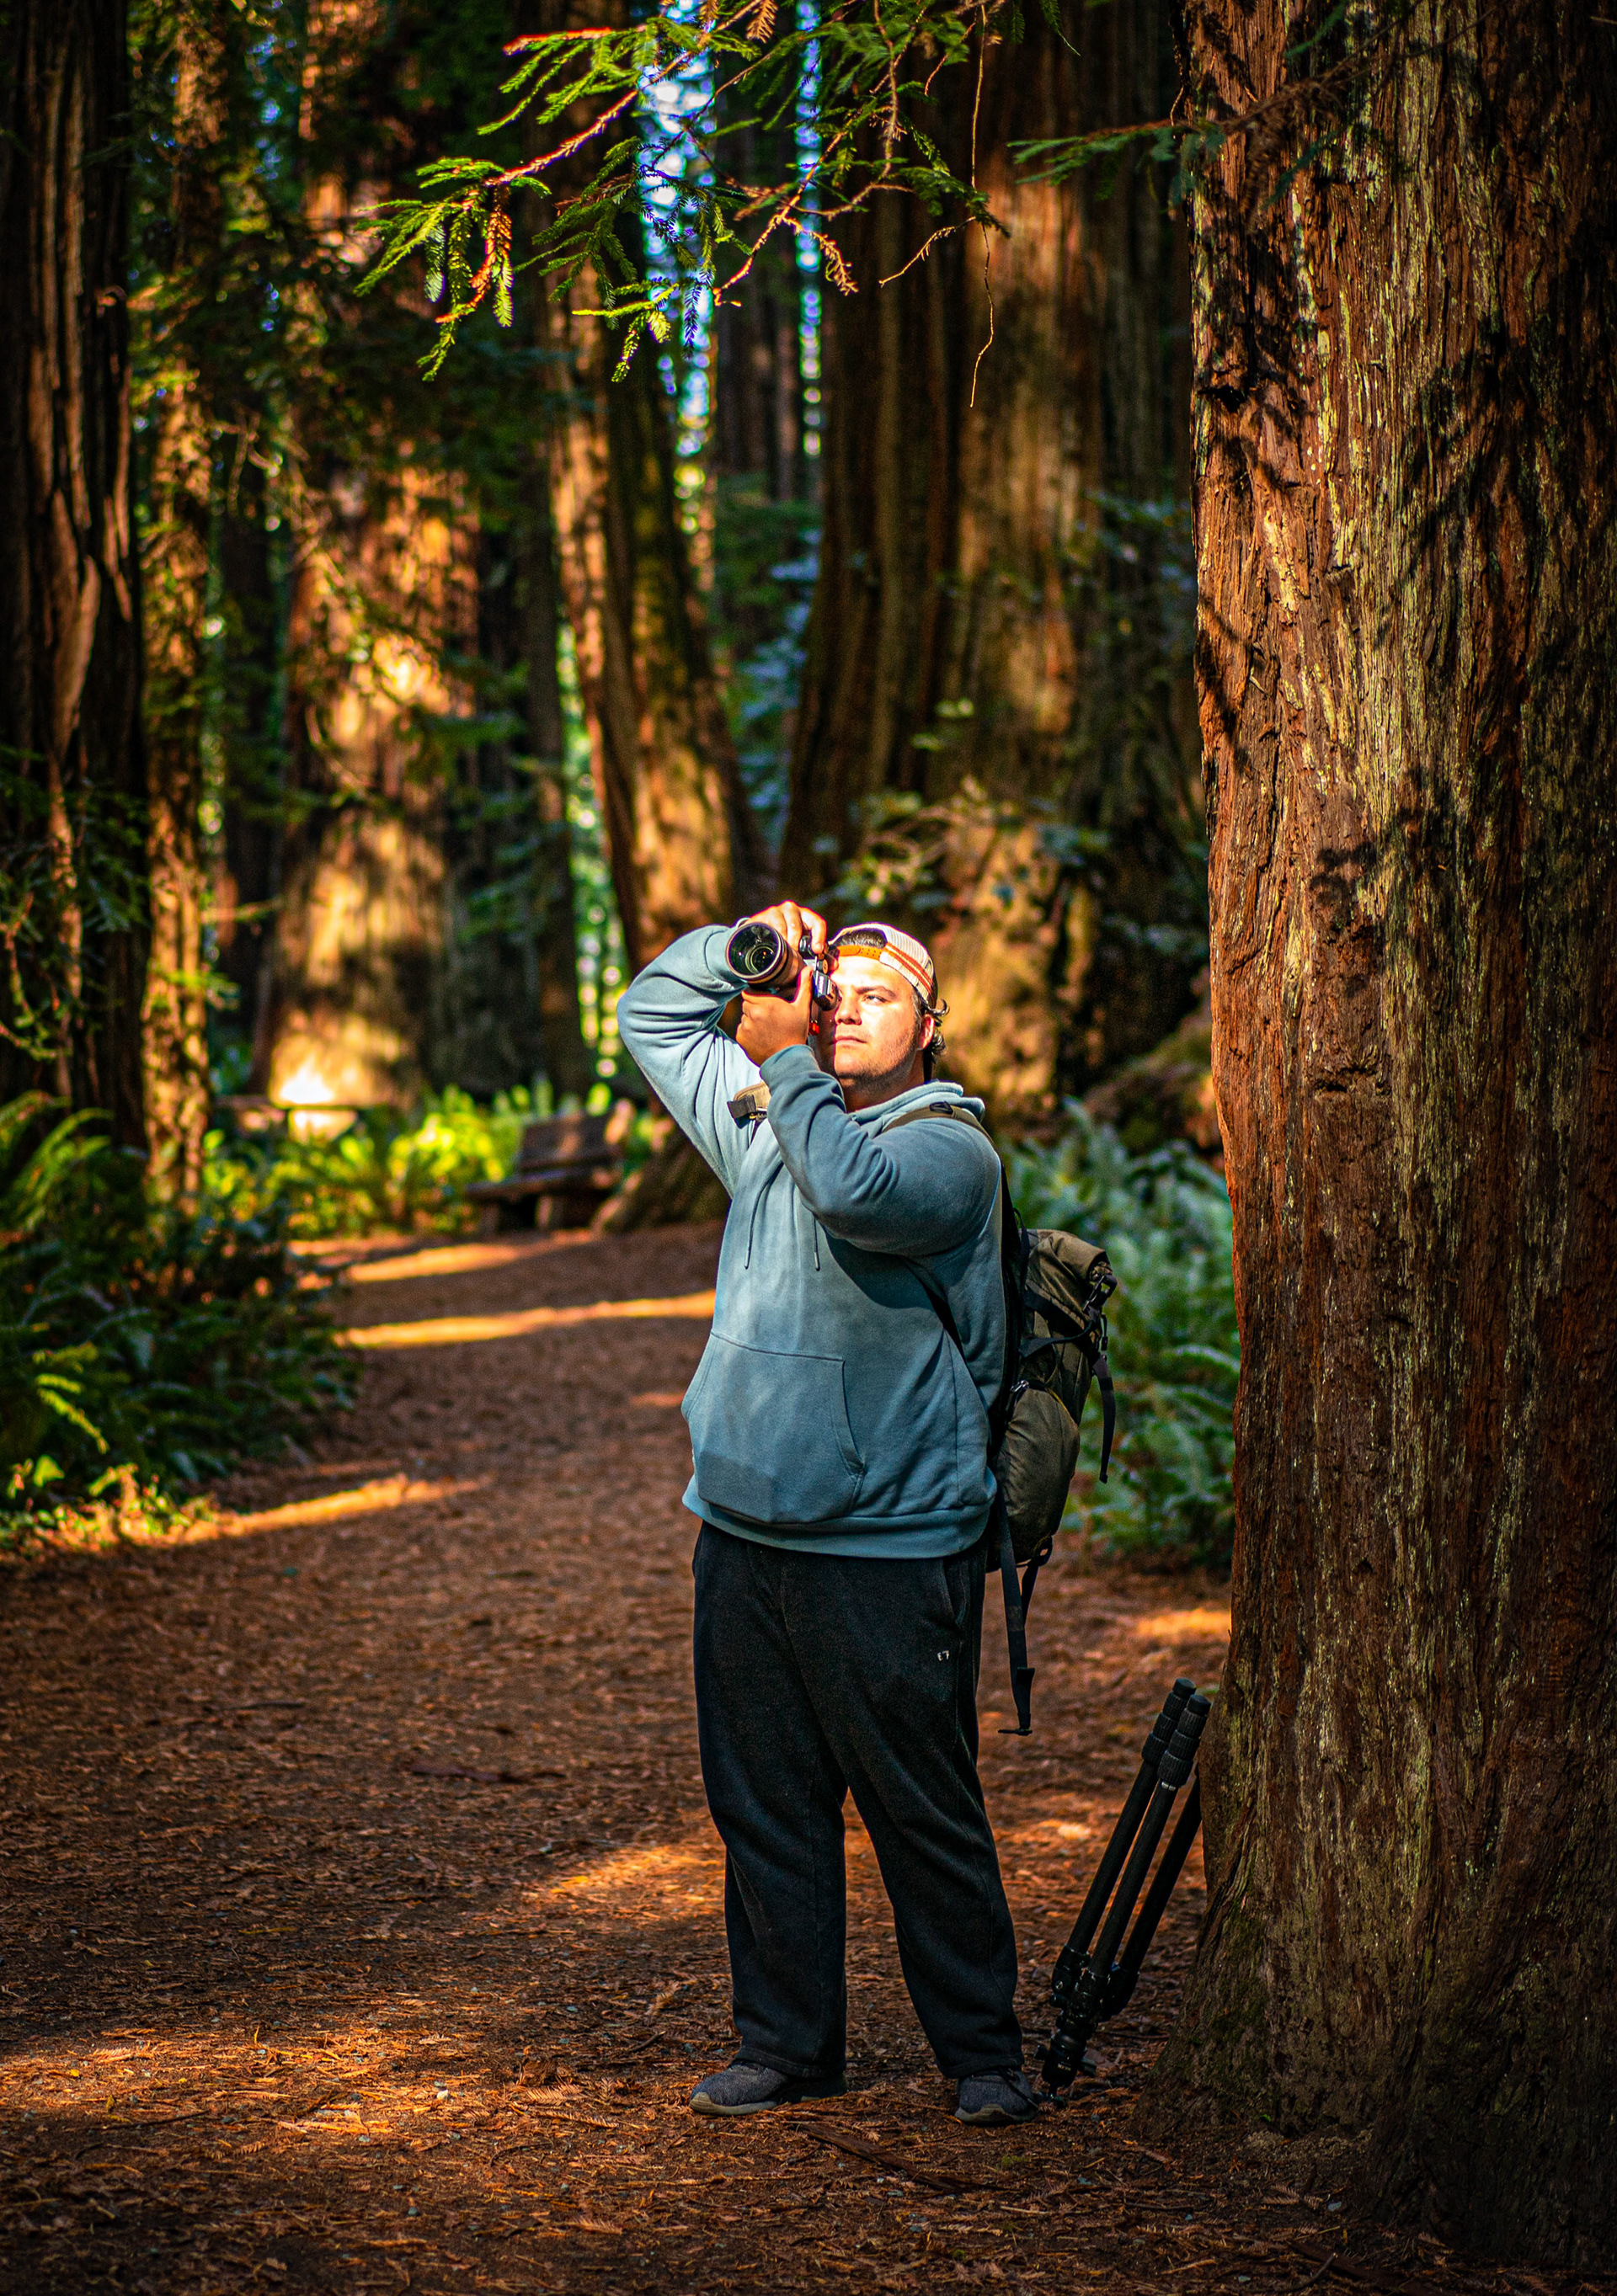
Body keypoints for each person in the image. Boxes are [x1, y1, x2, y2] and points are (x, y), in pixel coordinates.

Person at [616, 900, 1037, 2128]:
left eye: (877, 992)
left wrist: (782, 1055)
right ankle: (788, 2046)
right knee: (764, 1807)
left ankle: (982, 2055)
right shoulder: (764, 1122)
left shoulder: (950, 1151)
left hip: (888, 1547)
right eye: (828, 982)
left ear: (930, 1028)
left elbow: (853, 1193)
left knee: (922, 1809)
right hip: (743, 1532)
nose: (842, 1003)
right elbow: (650, 1014)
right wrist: (738, 942)